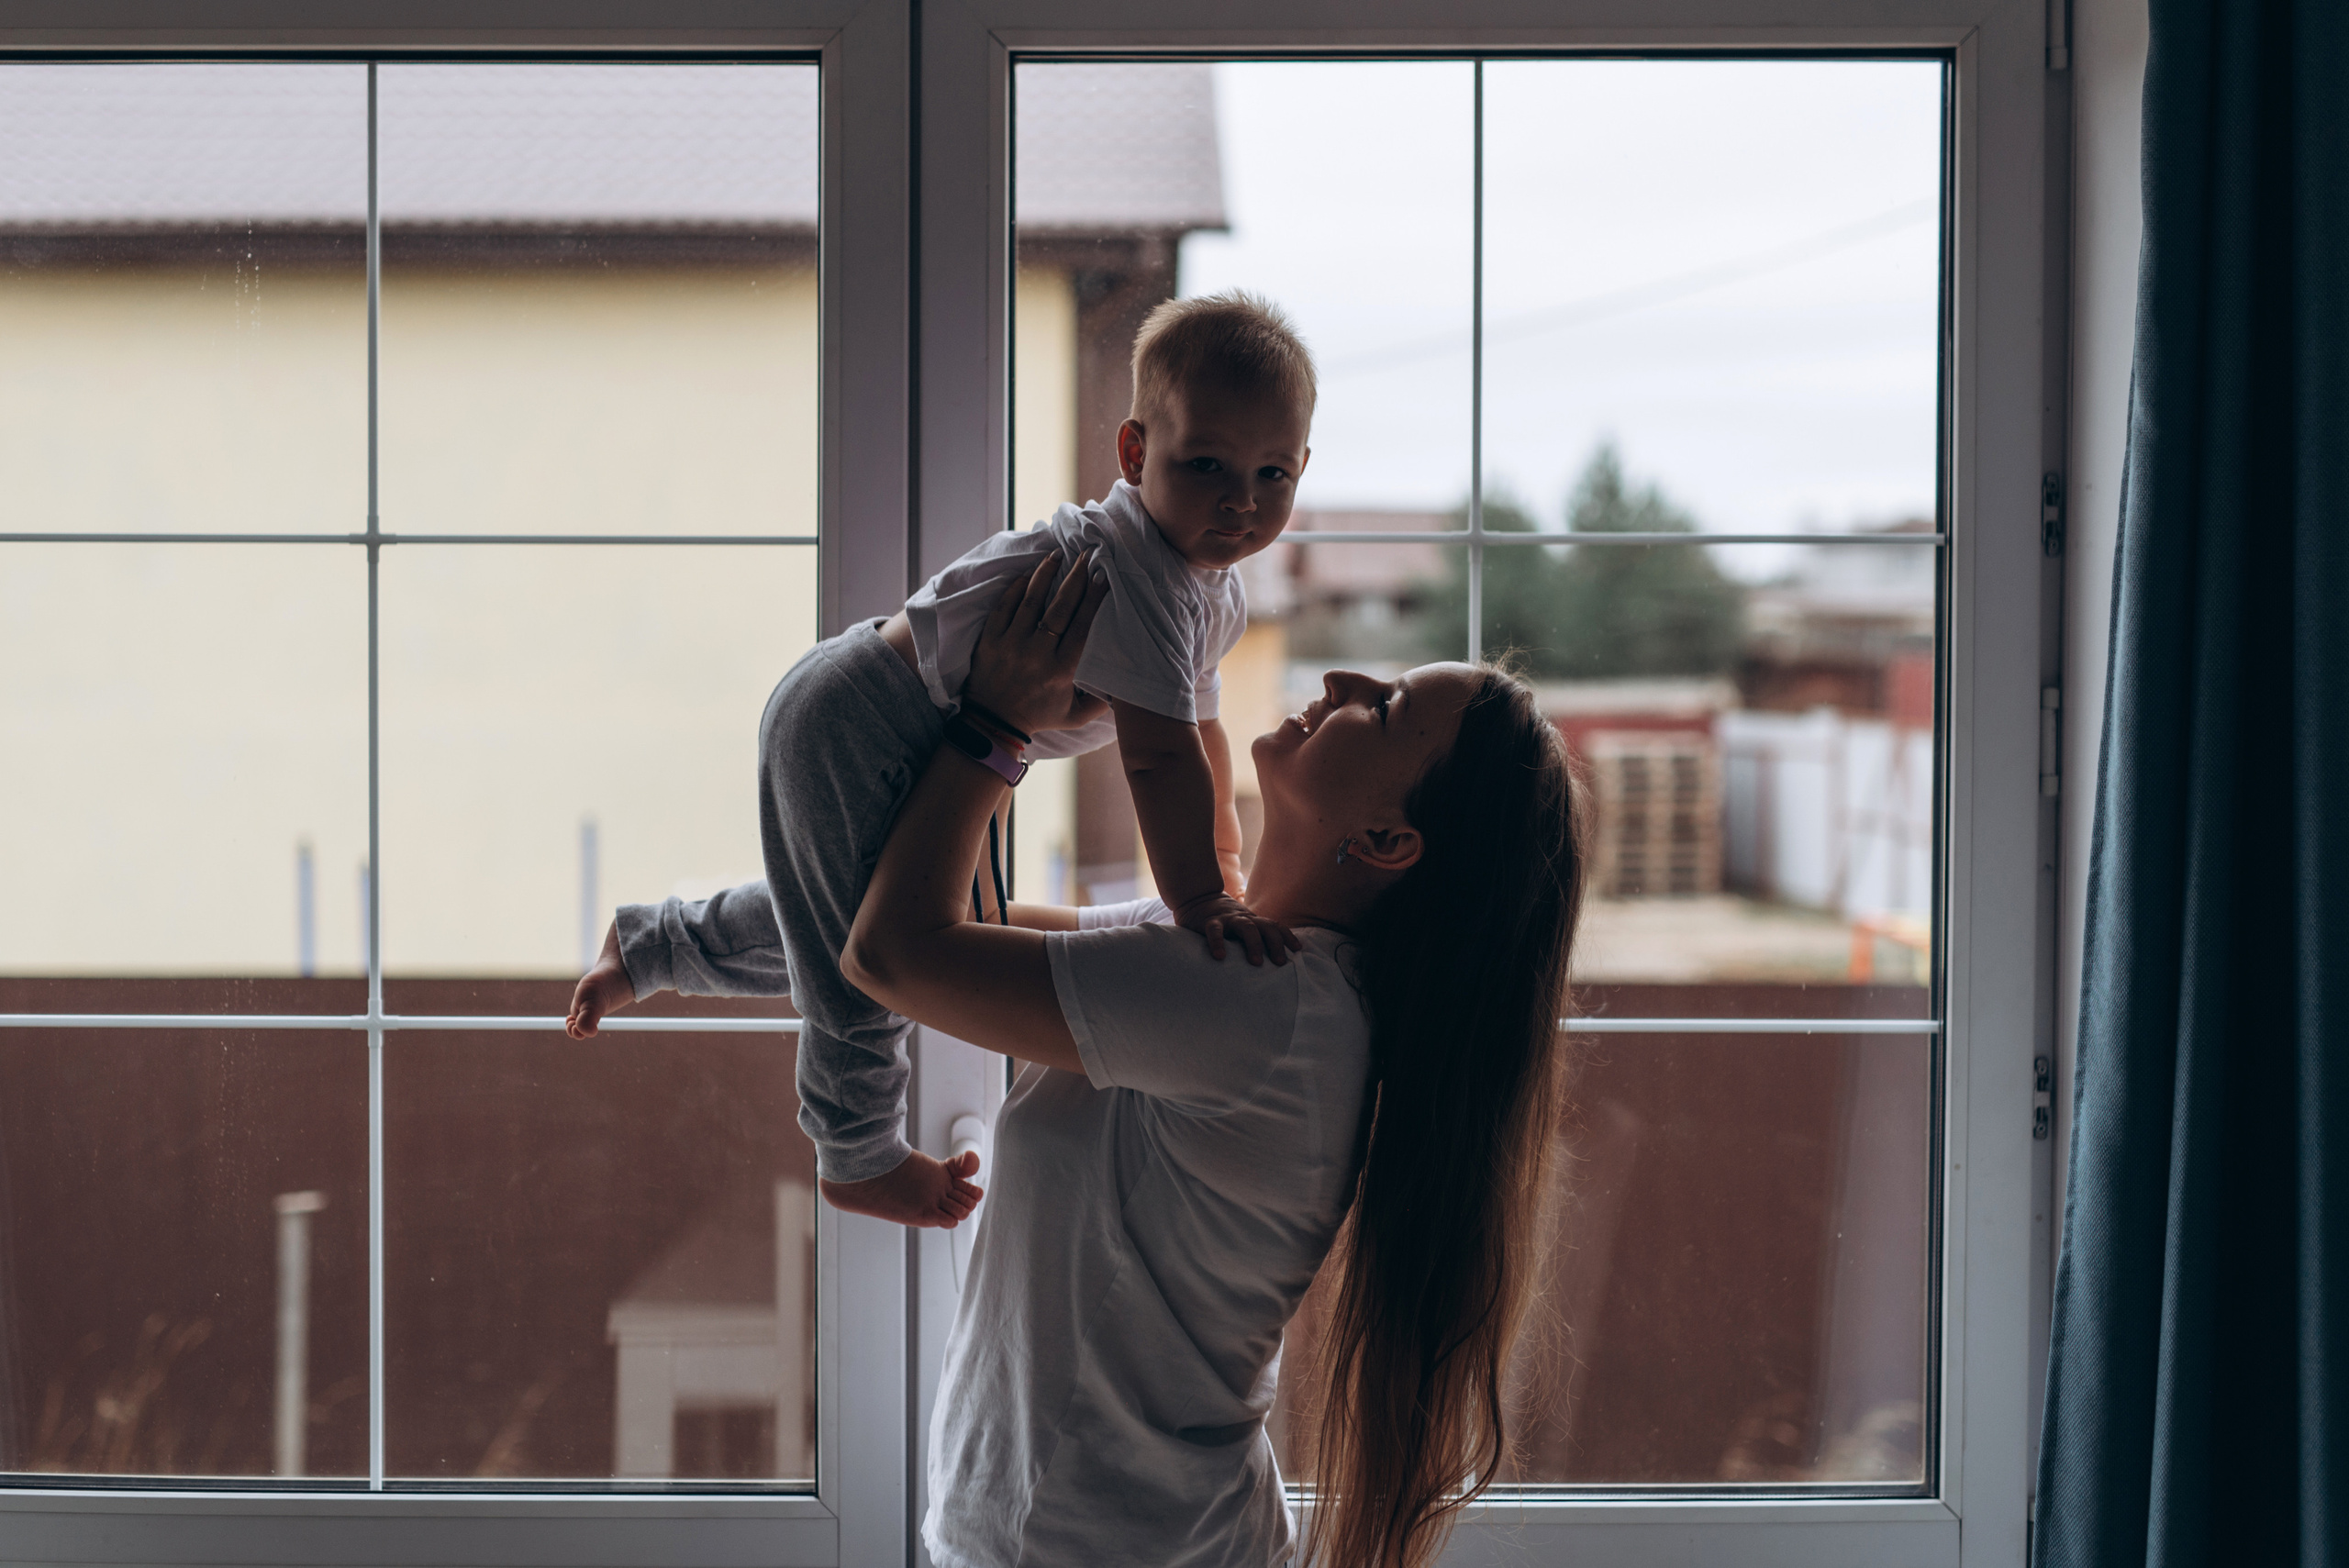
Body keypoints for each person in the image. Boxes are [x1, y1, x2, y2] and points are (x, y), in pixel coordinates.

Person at [841, 556, 1590, 1568]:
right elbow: (938, 932)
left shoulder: (1264, 1006)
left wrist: (996, 726)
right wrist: (667, 946)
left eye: (1385, 705)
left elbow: (894, 954)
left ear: (1385, 838)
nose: (1339, 685)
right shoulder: (1238, 966)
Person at [565, 291, 1317, 1229]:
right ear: (1133, 453)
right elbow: (1158, 762)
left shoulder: (1211, 593)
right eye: (1205, 464)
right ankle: (856, 1151)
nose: (1241, 500)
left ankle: (656, 943)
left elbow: (1201, 735)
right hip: (864, 722)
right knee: (857, 975)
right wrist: (1203, 899)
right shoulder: (1142, 577)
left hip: (878, 715)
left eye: (1272, 473)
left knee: (834, 915)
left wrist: (1222, 869)